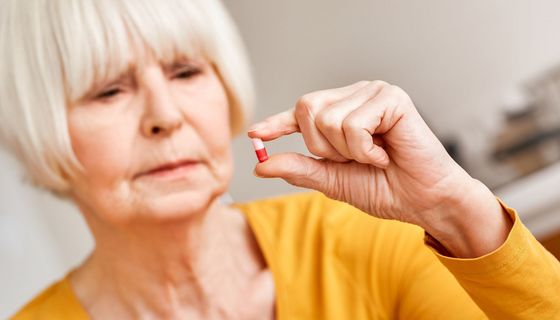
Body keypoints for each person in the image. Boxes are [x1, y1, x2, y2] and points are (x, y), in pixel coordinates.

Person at [1, 0, 558, 319]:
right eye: (108, 91)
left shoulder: (366, 241)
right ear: (38, 129)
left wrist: (454, 209)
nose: (165, 116)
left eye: (186, 72)